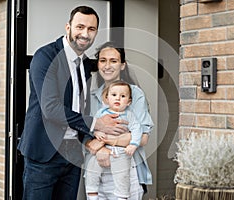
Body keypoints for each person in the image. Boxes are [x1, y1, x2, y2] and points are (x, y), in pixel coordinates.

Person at [17, 7, 128, 200]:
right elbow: (50, 109)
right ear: (68, 27)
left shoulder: (85, 64)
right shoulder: (45, 56)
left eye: (91, 29)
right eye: (80, 27)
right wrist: (96, 123)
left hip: (73, 155)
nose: (85, 34)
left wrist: (87, 139)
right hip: (44, 153)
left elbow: (79, 105)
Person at [85, 41, 154, 199]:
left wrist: (103, 141)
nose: (107, 65)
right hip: (97, 173)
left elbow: (142, 138)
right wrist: (98, 149)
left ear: (123, 65)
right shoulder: (91, 96)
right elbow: (84, 133)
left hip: (128, 171)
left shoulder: (135, 95)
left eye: (113, 61)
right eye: (103, 60)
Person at [85, 80, 142, 200]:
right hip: (101, 151)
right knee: (91, 169)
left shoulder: (129, 115)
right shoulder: (101, 113)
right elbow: (93, 126)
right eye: (114, 95)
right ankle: (92, 194)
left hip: (120, 152)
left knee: (122, 176)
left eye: (123, 96)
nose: (118, 99)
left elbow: (137, 130)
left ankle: (122, 196)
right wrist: (97, 132)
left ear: (129, 102)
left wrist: (133, 144)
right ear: (107, 98)